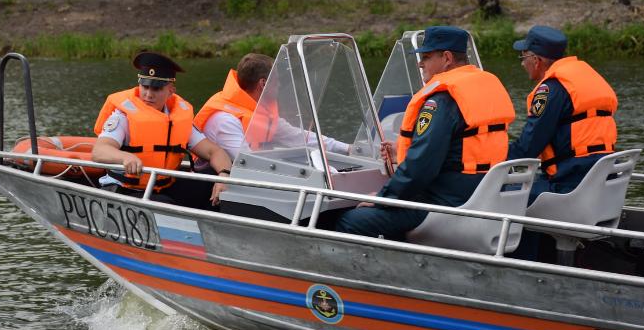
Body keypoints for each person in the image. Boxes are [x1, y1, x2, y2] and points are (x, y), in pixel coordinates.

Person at [335, 26, 515, 240]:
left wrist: (383, 197)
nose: (420, 63)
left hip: (444, 202)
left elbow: (420, 168)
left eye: (427, 57)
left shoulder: (440, 101)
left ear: (447, 58)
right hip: (484, 194)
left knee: (350, 220)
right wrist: (401, 150)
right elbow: (462, 147)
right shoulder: (485, 86)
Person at [92, 51, 233, 208]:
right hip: (126, 189)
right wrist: (125, 157)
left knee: (211, 182)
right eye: (144, 87)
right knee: (165, 204)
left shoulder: (178, 118)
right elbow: (99, 151)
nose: (148, 94)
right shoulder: (124, 116)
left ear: (171, 90)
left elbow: (214, 152)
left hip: (163, 186)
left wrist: (223, 176)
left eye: (156, 89)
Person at [508, 25, 618, 202]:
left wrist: (493, 155)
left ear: (536, 60)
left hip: (568, 185)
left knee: (503, 193)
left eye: (523, 57)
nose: (522, 63)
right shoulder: (588, 78)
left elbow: (529, 147)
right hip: (601, 180)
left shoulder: (550, 89)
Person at [193, 53, 350, 160]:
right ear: (263, 84)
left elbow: (302, 138)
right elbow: (245, 161)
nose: (280, 85)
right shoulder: (225, 120)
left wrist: (348, 148)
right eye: (277, 80)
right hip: (220, 187)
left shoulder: (260, 114)